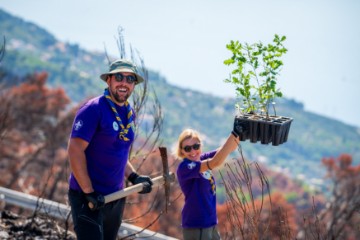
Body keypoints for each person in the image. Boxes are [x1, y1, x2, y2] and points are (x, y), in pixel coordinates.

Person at [67, 59, 153, 240]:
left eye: (130, 79)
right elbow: (75, 150)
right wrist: (89, 192)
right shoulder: (93, 109)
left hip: (115, 197)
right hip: (89, 199)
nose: (124, 83)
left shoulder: (129, 113)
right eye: (119, 77)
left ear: (134, 85)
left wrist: (134, 177)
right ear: (109, 80)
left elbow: (118, 152)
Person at [175, 128, 240, 240]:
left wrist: (240, 131)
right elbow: (216, 162)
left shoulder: (201, 159)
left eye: (196, 146)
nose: (193, 151)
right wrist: (234, 133)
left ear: (200, 145)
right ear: (181, 151)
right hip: (197, 225)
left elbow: (229, 148)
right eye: (187, 148)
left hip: (210, 223)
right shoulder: (185, 167)